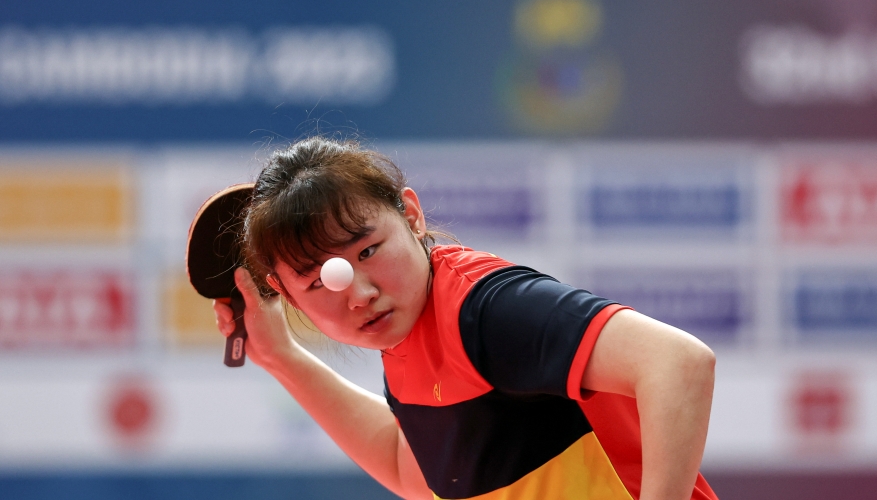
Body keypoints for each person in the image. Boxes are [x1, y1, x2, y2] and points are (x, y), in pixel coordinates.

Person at [213, 137, 718, 500]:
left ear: (410, 216)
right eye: (318, 281)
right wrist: (281, 358)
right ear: (285, 293)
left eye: (368, 251)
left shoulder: (488, 310)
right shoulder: (407, 339)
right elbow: (407, 468)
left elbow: (679, 363)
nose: (360, 294)